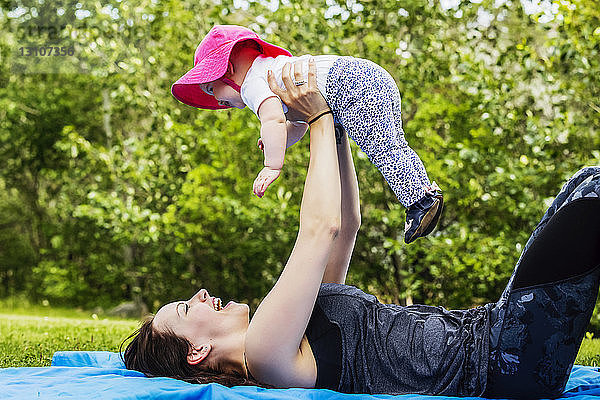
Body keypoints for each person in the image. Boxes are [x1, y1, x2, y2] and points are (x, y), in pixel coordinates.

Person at [124, 59, 600, 398]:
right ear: (197, 351)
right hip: (503, 361)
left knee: (586, 186)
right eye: (188, 307)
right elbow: (319, 229)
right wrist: (317, 118)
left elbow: (346, 226)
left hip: (498, 336)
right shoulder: (267, 351)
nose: (203, 293)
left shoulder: (287, 330)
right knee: (593, 198)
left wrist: (336, 127)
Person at [171, 24, 442, 244]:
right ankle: (424, 192)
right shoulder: (272, 67)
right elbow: (298, 123)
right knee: (391, 146)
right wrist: (282, 140)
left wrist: (272, 165)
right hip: (368, 75)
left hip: (349, 83)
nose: (217, 100)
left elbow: (273, 118)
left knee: (383, 148)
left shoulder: (253, 83)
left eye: (210, 89)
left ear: (227, 70)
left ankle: (419, 200)